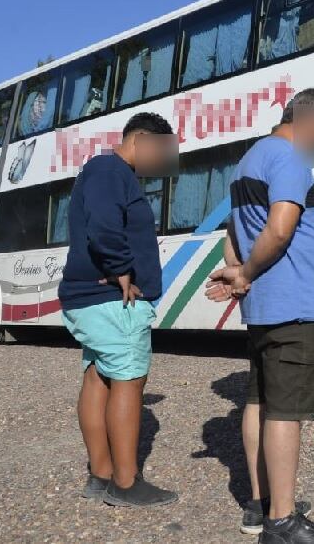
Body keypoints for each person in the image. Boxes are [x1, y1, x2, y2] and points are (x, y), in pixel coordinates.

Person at [206, 88, 314, 544]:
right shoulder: (287, 158)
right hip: (293, 304)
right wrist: (245, 271)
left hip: (266, 305)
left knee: (259, 401)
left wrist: (240, 276)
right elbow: (282, 226)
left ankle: (262, 503)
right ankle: (282, 523)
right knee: (286, 412)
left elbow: (234, 231)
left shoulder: (251, 159)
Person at [59, 112, 179, 507]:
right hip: (114, 299)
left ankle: (101, 476)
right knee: (129, 379)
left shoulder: (105, 171)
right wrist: (122, 269)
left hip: (93, 299)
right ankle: (126, 483)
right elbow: (105, 226)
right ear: (142, 139)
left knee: (98, 378)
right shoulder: (111, 170)